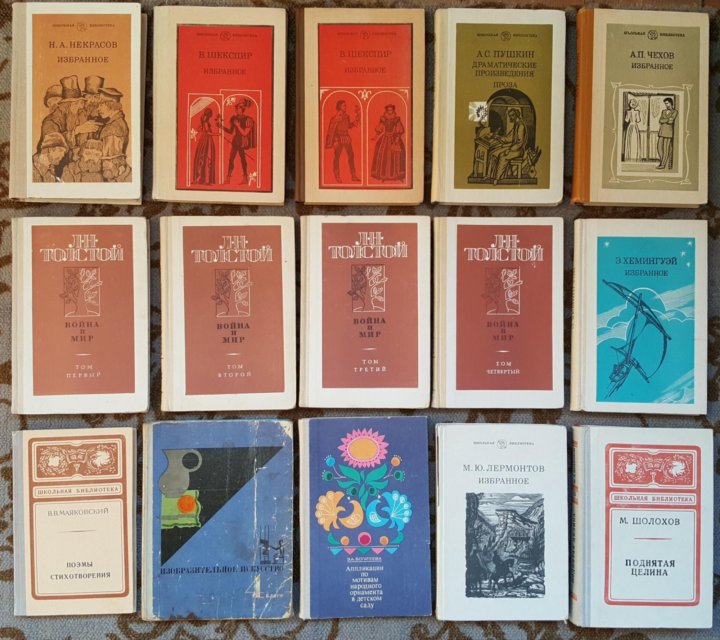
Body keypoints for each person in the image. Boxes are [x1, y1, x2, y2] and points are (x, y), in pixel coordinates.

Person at [219, 98, 256, 184]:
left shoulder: (248, 119)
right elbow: (231, 131)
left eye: (238, 108)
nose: (236, 109)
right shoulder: (234, 118)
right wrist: (221, 126)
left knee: (243, 159)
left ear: (242, 109)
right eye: (236, 108)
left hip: (242, 142)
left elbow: (244, 134)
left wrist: (238, 126)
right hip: (235, 141)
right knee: (231, 159)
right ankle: (228, 178)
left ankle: (245, 178)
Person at [325, 99, 360, 183]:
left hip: (346, 138)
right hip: (339, 138)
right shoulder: (336, 117)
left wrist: (354, 123)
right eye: (344, 105)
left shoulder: (347, 116)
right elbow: (332, 130)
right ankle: (337, 175)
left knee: (351, 156)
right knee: (337, 157)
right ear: (339, 106)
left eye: (345, 105)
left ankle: (353, 175)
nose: (345, 107)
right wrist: (335, 141)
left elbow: (348, 126)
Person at [489, 107, 527, 184]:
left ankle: (497, 178)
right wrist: (498, 137)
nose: (510, 117)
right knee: (495, 153)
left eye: (511, 115)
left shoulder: (521, 126)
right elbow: (509, 138)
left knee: (502, 156)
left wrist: (509, 150)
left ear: (516, 115)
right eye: (509, 116)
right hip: (514, 148)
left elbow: (519, 143)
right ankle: (492, 176)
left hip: (518, 150)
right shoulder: (516, 124)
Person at [370, 104, 406, 182]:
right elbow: (379, 129)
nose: (390, 111)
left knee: (397, 155)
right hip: (385, 138)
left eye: (391, 110)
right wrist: (375, 137)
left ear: (393, 110)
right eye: (388, 110)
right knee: (382, 154)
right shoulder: (383, 119)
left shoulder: (396, 119)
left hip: (394, 138)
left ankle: (397, 176)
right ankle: (383, 176)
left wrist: (397, 138)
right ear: (386, 111)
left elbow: (400, 130)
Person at [193, 107, 217, 185]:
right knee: (206, 157)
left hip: (203, 139)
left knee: (202, 157)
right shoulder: (206, 122)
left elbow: (199, 129)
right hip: (206, 140)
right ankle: (204, 180)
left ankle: (200, 179)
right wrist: (217, 134)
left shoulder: (204, 122)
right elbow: (208, 132)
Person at [656, 97, 677, 170]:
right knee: (659, 147)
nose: (666, 105)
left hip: (668, 132)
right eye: (665, 103)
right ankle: (662, 161)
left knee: (665, 148)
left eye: (667, 103)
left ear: (671, 103)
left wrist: (665, 120)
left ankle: (662, 164)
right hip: (661, 131)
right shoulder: (663, 111)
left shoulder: (674, 111)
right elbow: (660, 120)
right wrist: (667, 119)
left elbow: (671, 121)